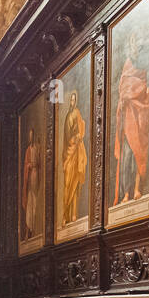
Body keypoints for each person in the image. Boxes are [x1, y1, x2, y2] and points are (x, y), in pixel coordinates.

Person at [113, 31, 149, 203]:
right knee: (127, 156)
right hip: (128, 117)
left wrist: (138, 92)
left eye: (137, 42)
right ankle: (126, 193)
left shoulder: (143, 66)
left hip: (140, 116)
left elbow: (145, 87)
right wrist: (128, 95)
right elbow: (123, 87)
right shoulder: (128, 64)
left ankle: (137, 189)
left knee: (139, 154)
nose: (135, 46)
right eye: (133, 42)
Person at [61, 91, 87, 221]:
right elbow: (67, 137)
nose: (72, 102)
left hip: (78, 151)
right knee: (67, 184)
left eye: (74, 100)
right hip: (69, 153)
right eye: (71, 100)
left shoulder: (77, 113)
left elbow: (82, 129)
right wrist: (73, 139)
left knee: (76, 184)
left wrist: (79, 136)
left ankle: (74, 214)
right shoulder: (67, 117)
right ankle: (65, 213)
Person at [20, 125, 41, 239]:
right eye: (30, 136)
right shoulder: (28, 149)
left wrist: (34, 165)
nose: (31, 138)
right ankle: (29, 228)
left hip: (36, 174)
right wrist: (29, 165)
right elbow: (26, 165)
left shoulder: (37, 148)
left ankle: (34, 227)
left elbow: (40, 162)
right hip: (30, 176)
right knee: (30, 201)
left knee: (36, 199)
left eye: (32, 136)